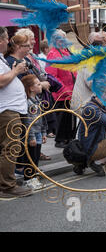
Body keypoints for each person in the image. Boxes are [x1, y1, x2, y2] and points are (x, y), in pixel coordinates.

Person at [0, 26, 32, 198]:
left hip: (10, 109)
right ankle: (7, 186)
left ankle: (5, 182)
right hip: (7, 110)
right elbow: (1, 82)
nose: (8, 41)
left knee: (10, 147)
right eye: (6, 38)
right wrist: (16, 71)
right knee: (11, 147)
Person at [46, 30, 77, 148]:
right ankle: (60, 139)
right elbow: (52, 76)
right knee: (62, 117)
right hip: (61, 93)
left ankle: (68, 138)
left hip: (70, 91)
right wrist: (64, 89)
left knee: (69, 117)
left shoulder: (65, 52)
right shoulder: (53, 54)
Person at [20, 74, 47, 190]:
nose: (41, 86)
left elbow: (42, 118)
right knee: (30, 157)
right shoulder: (28, 103)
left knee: (35, 157)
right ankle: (28, 179)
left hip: (38, 132)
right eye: (38, 84)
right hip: (32, 134)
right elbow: (28, 122)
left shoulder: (37, 100)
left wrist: (44, 132)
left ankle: (34, 177)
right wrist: (31, 137)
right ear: (31, 88)